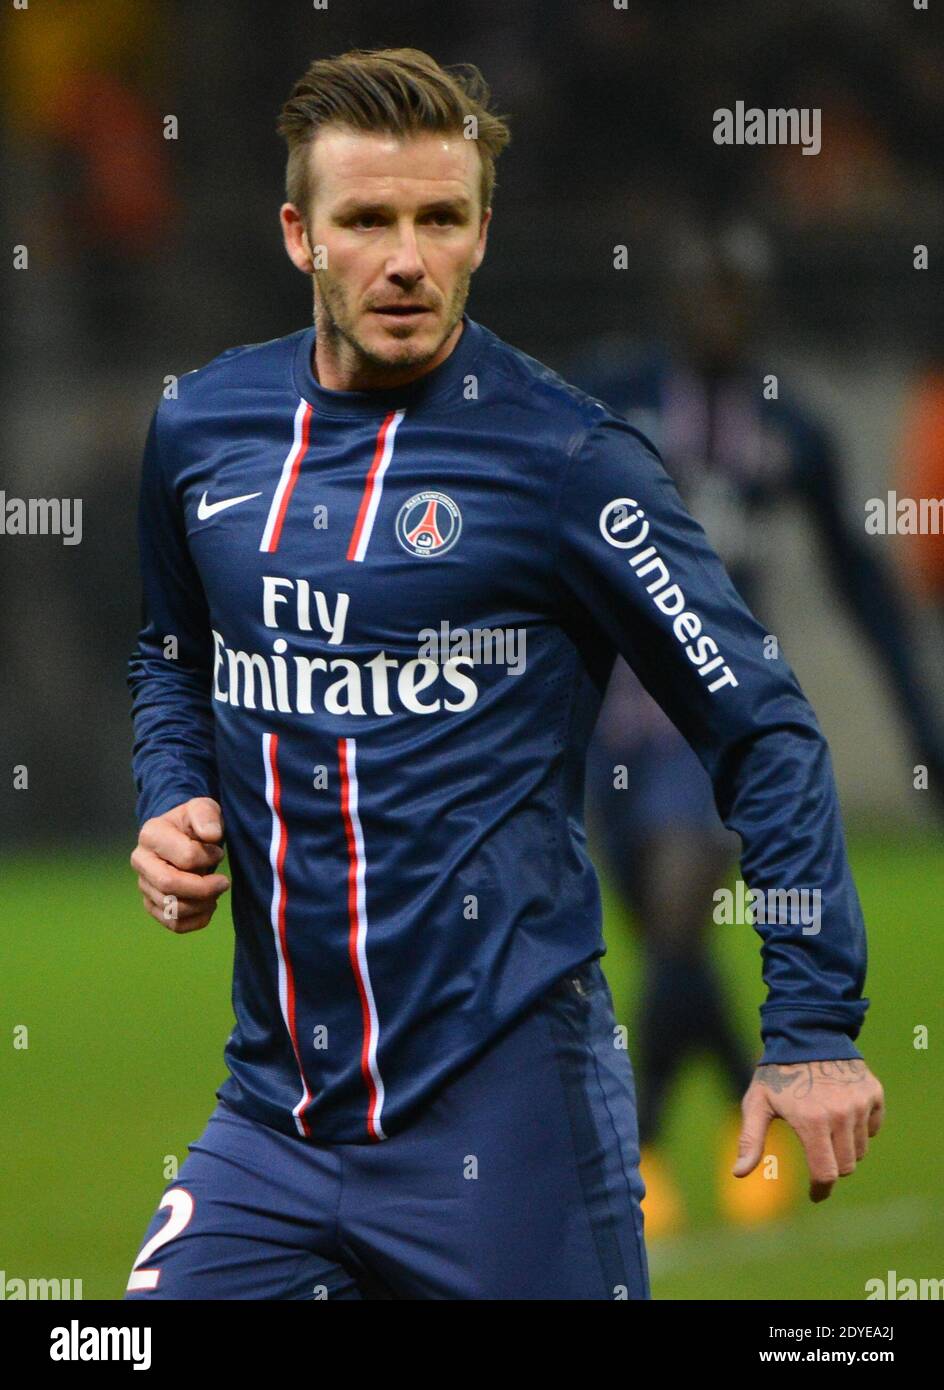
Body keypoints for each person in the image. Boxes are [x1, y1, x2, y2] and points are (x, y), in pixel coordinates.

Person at [125, 47, 883, 1301]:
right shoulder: (200, 426)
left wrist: (809, 1028)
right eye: (366, 219)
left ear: (483, 232)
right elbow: (168, 654)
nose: (405, 257)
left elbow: (765, 727)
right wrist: (167, 788)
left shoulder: (569, 460)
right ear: (297, 235)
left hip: (509, 1123)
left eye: (440, 217)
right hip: (274, 1115)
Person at [569, 229, 939, 1234]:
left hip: (714, 728)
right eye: (704, 294)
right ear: (674, 299)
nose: (718, 315)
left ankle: (637, 1151)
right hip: (609, 731)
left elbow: (857, 582)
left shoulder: (787, 429)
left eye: (736, 297)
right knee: (664, 953)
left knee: (682, 919)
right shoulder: (614, 396)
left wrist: (919, 726)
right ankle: (746, 1091)